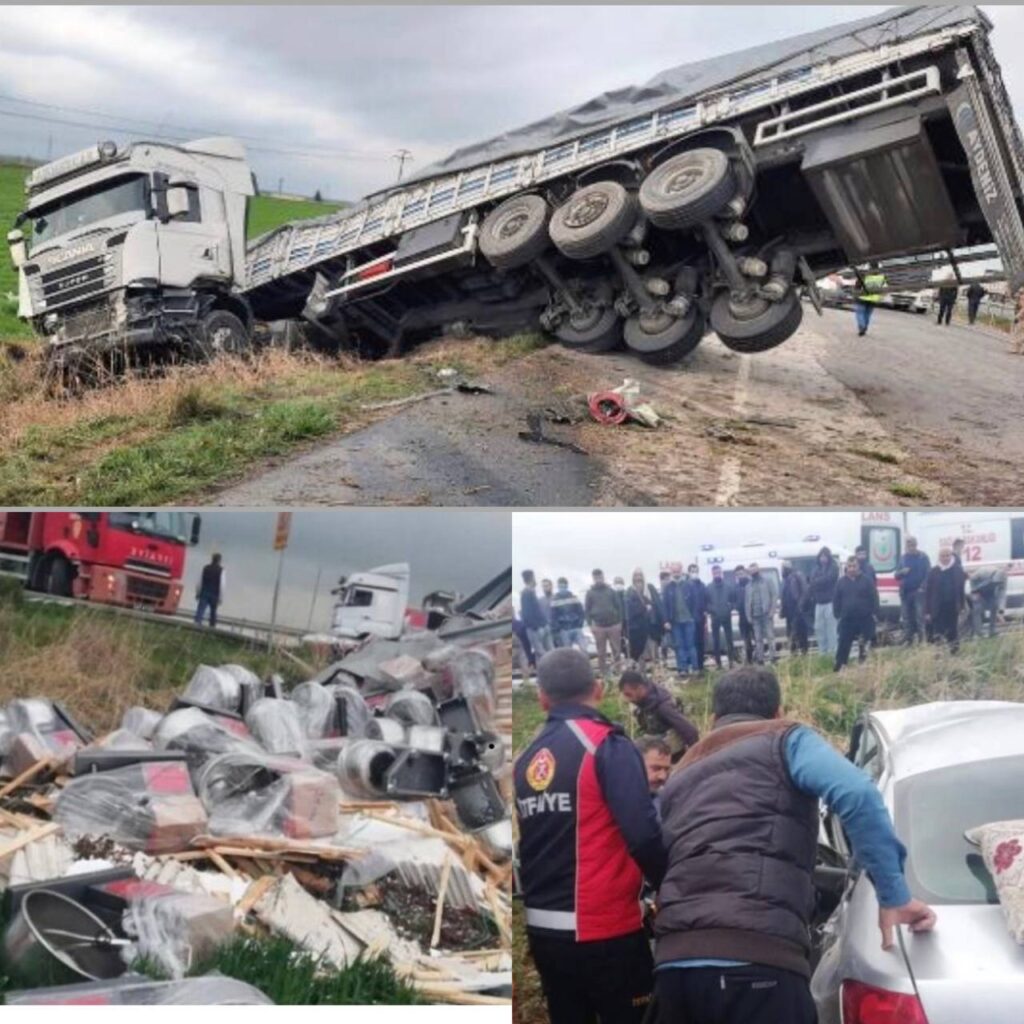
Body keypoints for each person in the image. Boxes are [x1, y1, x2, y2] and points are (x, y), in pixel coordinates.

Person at [654, 666, 936, 1024]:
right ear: (777, 713)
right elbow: (857, 793)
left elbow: (661, 850)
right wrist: (893, 894)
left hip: (674, 967)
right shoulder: (785, 739)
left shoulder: (680, 773)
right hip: (756, 959)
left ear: (713, 719)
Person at [516, 649, 665, 1024]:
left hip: (544, 931)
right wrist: (671, 884)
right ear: (598, 690)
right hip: (605, 930)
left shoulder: (525, 760)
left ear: (542, 699)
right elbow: (644, 833)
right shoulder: (605, 745)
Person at [619, 669, 700, 762]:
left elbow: (691, 731)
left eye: (629, 694)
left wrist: (695, 758)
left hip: (672, 757)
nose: (627, 699)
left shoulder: (663, 707)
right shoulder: (646, 700)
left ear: (640, 688)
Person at [833, 556, 879, 670]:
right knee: (843, 642)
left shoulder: (867, 580)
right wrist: (837, 614)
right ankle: (840, 664)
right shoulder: (841, 582)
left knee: (865, 642)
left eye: (854, 566)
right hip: (847, 618)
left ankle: (863, 664)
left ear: (858, 567)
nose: (852, 569)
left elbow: (874, 597)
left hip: (864, 617)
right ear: (846, 567)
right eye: (849, 566)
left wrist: (874, 612)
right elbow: (836, 600)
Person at [925, 546, 966, 652]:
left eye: (947, 555)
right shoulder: (933, 571)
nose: (945, 558)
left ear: (951, 556)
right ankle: (939, 653)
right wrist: (927, 611)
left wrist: (961, 606)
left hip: (952, 606)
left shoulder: (957, 570)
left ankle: (954, 653)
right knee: (938, 632)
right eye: (943, 556)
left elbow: (961, 589)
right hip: (938, 607)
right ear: (939, 557)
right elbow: (928, 593)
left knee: (952, 631)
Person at [585, 569, 623, 677]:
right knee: (601, 652)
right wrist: (590, 625)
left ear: (603, 577)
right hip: (599, 626)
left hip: (613, 625)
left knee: (616, 650)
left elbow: (619, 607)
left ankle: (618, 671)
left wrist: (619, 622)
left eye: (600, 577)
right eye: (596, 578)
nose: (598, 579)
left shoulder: (611, 591)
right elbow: (587, 610)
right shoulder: (590, 593)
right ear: (593, 579)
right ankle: (603, 673)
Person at [624, 569, 664, 664]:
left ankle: (655, 672)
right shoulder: (630, 592)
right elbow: (630, 610)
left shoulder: (650, 588)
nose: (638, 578)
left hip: (651, 626)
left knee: (653, 653)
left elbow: (657, 604)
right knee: (639, 655)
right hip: (637, 628)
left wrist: (663, 621)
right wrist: (644, 608)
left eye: (640, 575)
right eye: (636, 575)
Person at [663, 565, 697, 676]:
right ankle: (683, 669)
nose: (676, 573)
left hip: (689, 621)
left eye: (678, 571)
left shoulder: (689, 585)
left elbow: (695, 602)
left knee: (691, 645)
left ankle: (695, 668)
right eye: (674, 571)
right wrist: (666, 621)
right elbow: (665, 606)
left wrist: (693, 616)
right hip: (675, 622)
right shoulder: (668, 588)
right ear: (671, 573)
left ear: (681, 572)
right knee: (679, 646)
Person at [895, 537, 930, 644]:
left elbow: (928, 574)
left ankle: (922, 641)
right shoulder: (903, 558)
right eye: (908, 545)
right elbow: (896, 575)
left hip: (918, 592)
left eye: (913, 545)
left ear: (916, 544)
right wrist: (902, 572)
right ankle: (909, 641)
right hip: (905, 593)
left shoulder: (923, 557)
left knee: (919, 618)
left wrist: (922, 588)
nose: (911, 547)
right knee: (906, 618)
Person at [744, 563, 778, 665]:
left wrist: (772, 611)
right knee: (758, 639)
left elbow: (774, 596)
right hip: (755, 616)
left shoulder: (767, 581)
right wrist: (748, 616)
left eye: (755, 571)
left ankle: (773, 658)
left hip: (766, 615)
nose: (754, 573)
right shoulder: (748, 586)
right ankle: (760, 659)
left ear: (759, 571)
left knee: (770, 636)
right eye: (751, 572)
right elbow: (746, 602)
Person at [808, 546, 839, 655]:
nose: (823, 559)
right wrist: (818, 581)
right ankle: (823, 652)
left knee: (831, 628)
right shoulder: (816, 568)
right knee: (819, 628)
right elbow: (812, 581)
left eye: (825, 556)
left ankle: (833, 652)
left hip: (830, 602)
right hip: (819, 603)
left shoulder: (834, 567)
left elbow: (829, 579)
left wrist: (817, 582)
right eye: (821, 556)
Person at [706, 564, 736, 669]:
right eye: (715, 573)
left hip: (726, 616)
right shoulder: (708, 587)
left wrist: (729, 608)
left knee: (729, 640)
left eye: (718, 572)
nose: (717, 574)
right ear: (712, 574)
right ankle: (718, 663)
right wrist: (712, 610)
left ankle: (731, 661)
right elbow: (706, 603)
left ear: (721, 573)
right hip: (715, 617)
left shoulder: (728, 586)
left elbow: (733, 601)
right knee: (716, 641)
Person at [635, 735, 672, 815]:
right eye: (656, 768)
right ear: (636, 763)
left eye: (667, 770)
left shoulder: (665, 802)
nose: (663, 776)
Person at [521, 570, 554, 657]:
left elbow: (525, 614)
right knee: (549, 652)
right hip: (539, 627)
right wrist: (540, 625)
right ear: (532, 578)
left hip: (538, 628)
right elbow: (528, 613)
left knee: (541, 654)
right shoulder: (528, 593)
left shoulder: (527, 593)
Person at [969, 566, 1007, 639]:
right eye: (996, 582)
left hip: (991, 593)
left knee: (994, 607)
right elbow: (972, 579)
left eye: (999, 583)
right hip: (979, 591)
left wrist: (1001, 611)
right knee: (977, 610)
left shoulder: (1003, 578)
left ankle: (992, 631)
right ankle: (978, 633)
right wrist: (974, 591)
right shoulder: (983, 571)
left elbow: (1002, 594)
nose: (997, 584)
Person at [780, 561, 809, 655]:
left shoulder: (797, 576)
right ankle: (794, 654)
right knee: (791, 633)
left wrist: (800, 606)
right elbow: (784, 596)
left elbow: (804, 591)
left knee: (799, 633)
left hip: (797, 609)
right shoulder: (785, 580)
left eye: (782, 568)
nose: (781, 571)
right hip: (789, 612)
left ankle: (803, 653)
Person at [550, 577, 586, 651]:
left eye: (563, 586)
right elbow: (553, 617)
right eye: (560, 586)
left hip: (576, 628)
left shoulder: (574, 597)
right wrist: (559, 628)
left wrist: (580, 624)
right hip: (564, 630)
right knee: (568, 652)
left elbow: (581, 612)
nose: (562, 588)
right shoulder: (555, 600)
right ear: (558, 587)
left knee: (584, 649)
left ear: (567, 586)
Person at [685, 565, 708, 673]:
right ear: (688, 572)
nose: (694, 573)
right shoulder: (686, 585)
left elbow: (705, 600)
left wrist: (705, 613)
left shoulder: (702, 585)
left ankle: (701, 666)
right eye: (692, 571)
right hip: (689, 619)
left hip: (701, 618)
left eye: (696, 571)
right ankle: (693, 666)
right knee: (691, 643)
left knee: (700, 642)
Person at [194, 552, 225, 628]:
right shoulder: (221, 570)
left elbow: (199, 581)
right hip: (215, 593)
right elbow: (222, 585)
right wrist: (221, 598)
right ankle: (212, 627)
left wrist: (198, 592)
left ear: (212, 559)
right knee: (213, 612)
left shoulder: (205, 568)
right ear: (219, 560)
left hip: (204, 591)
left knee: (201, 609)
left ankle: (196, 625)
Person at [853, 264, 885, 336]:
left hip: (862, 297)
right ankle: (865, 328)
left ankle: (862, 327)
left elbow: (857, 286)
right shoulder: (881, 277)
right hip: (873, 299)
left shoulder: (864, 275)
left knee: (860, 313)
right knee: (867, 314)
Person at [733, 565, 754, 664]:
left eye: (741, 573)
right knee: (746, 640)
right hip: (742, 617)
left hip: (753, 616)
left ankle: (758, 658)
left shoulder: (751, 584)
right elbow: (733, 601)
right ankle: (749, 660)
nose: (740, 576)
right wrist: (736, 605)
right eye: (738, 575)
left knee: (757, 638)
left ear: (745, 573)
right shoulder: (736, 587)